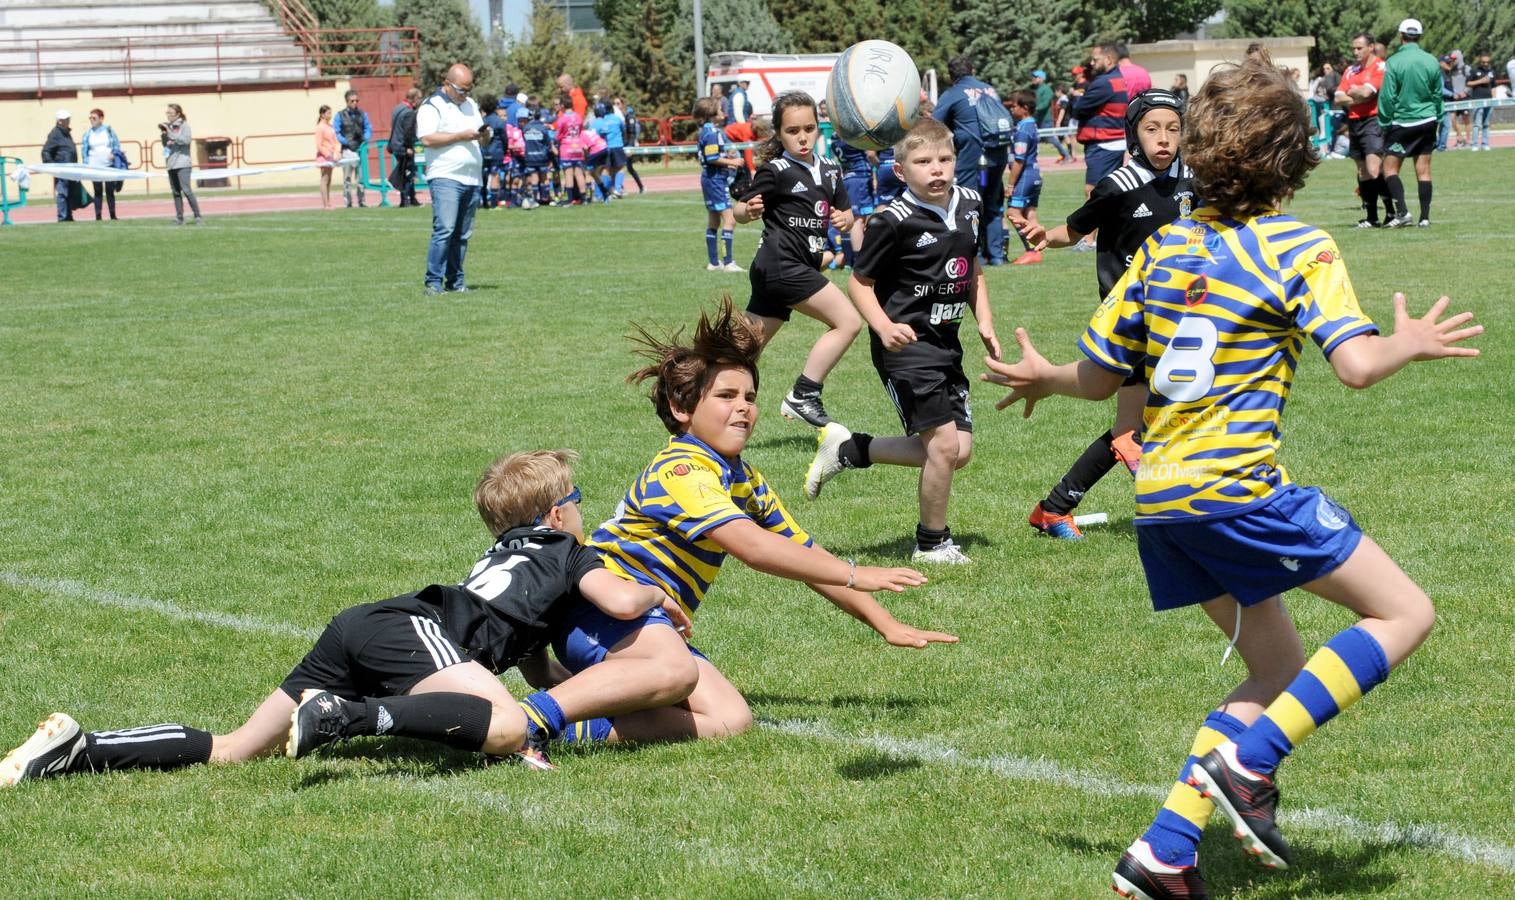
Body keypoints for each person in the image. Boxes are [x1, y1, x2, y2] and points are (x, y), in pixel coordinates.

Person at [982, 55, 1481, 899]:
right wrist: (1406, 343)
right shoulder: (1298, 244)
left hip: (1160, 502)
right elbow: (1355, 367)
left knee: (1272, 670)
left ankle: (1162, 854)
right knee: (1404, 611)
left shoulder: (1165, 243)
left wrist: (1042, 378)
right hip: (1236, 491)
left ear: (1196, 153)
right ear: (1297, 157)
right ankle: (1251, 767)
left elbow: (1102, 378)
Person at [0, 449, 678, 785]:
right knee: (502, 727)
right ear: (557, 514)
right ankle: (343, 717)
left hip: (369, 624)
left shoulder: (510, 555)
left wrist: (568, 694)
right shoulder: (566, 546)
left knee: (237, 749)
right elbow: (619, 601)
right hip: (415, 632)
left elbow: (531, 659)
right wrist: (656, 594)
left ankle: (81, 750)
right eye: (579, 501)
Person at [514, 300, 956, 751]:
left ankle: (569, 725)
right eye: (726, 396)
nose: (743, 408)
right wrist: (855, 573)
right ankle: (531, 718)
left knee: (728, 718)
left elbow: (805, 556)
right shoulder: (682, 468)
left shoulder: (746, 480)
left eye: (750, 397)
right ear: (682, 408)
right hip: (604, 609)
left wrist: (884, 623)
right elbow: (751, 547)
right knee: (711, 706)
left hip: (642, 624)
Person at [804, 117, 1002, 564]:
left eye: (945, 159)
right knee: (945, 447)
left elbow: (973, 272)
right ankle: (932, 543)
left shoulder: (970, 203)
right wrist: (883, 326)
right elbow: (860, 283)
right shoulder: (890, 221)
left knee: (958, 452)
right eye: (924, 161)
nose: (937, 169)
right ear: (900, 170)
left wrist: (984, 319)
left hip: (946, 345)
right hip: (905, 348)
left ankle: (852, 449)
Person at [1014, 89, 1194, 540]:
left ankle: (1053, 509)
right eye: (1152, 129)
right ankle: (1179, 513)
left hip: (1177, 315)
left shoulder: (1192, 179)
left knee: (1131, 427)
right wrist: (1043, 235)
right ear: (1134, 134)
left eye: (1173, 129)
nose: (1164, 139)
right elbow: (1074, 229)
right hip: (1129, 317)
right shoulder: (1119, 185)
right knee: (1150, 425)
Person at [733, 91, 859, 428]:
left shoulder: (831, 170)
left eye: (809, 128)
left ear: (819, 128)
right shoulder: (775, 170)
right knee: (848, 322)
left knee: (742, 353)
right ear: (778, 132)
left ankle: (700, 395)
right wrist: (748, 210)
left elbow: (845, 212)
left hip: (782, 270)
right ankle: (805, 393)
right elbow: (739, 210)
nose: (802, 137)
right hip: (782, 264)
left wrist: (844, 220)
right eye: (792, 131)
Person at [933, 56, 1010, 265]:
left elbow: (934, 124)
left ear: (951, 75)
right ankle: (996, 256)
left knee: (968, 204)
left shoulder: (953, 93)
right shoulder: (990, 89)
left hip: (972, 156)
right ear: (972, 69)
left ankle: (974, 257)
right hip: (998, 153)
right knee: (993, 203)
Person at [417, 63, 484, 294]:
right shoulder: (432, 105)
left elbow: (476, 136)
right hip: (446, 175)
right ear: (447, 83)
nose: (465, 94)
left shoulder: (470, 104)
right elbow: (426, 139)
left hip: (471, 177)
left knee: (462, 234)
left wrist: (484, 136)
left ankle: (456, 282)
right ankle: (433, 282)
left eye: (469, 89)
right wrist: (460, 136)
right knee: (445, 229)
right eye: (461, 89)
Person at [1379, 18, 1443, 228]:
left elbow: (1388, 96)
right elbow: (1437, 94)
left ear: (1400, 36)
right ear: (1420, 36)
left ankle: (1403, 212)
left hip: (1403, 122)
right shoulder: (1431, 60)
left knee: (1389, 169)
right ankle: (1424, 218)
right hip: (1428, 119)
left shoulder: (1394, 61)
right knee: (1423, 169)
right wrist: (1438, 117)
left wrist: (1384, 121)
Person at [1337, 33, 1395, 228]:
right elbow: (1337, 97)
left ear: (1371, 47)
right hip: (1354, 121)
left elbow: (1367, 92)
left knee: (1374, 168)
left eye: (1359, 48)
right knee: (1362, 171)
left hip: (1373, 120)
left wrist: (1355, 92)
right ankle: (1371, 217)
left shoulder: (1380, 67)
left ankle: (1391, 212)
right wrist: (1358, 96)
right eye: (1353, 48)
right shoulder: (1350, 70)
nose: (1355, 52)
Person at [1074, 43, 1131, 198]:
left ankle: (1099, 223)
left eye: (1095, 59)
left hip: (1103, 144)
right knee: (1109, 192)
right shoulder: (1117, 79)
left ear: (1108, 59)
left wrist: (1077, 97)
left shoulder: (1103, 83)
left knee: (1093, 192)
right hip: (1112, 143)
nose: (1092, 63)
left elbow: (1077, 110)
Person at [694, 96, 745, 271]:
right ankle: (728, 262)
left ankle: (714, 263)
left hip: (709, 179)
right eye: (720, 110)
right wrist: (733, 162)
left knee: (714, 221)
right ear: (711, 114)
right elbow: (712, 158)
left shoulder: (708, 131)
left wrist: (728, 156)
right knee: (730, 220)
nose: (723, 113)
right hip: (715, 180)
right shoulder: (712, 133)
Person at [1004, 90, 1044, 265]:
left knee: (1012, 212)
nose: (1012, 110)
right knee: (1030, 213)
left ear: (1025, 108)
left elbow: (1019, 160)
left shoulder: (1023, 129)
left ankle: (1030, 250)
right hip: (1035, 173)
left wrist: (1011, 185)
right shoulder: (1032, 124)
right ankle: (1038, 248)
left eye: (1014, 106)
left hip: (1025, 175)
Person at [160, 103, 203, 225]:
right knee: (175, 192)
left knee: (187, 190)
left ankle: (198, 216)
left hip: (183, 163)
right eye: (167, 113)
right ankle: (179, 218)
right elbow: (165, 145)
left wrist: (170, 133)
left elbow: (185, 140)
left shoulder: (185, 126)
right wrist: (164, 135)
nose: (168, 116)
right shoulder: (169, 127)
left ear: (178, 114)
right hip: (171, 163)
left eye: (171, 113)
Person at [80, 108, 123, 221]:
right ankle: (98, 216)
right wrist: (86, 163)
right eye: (90, 118)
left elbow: (116, 144)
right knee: (97, 191)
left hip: (108, 165)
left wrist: (114, 154)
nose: (92, 120)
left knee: (110, 191)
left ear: (101, 118)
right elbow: (84, 149)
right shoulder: (88, 133)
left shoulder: (108, 131)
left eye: (94, 118)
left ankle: (113, 215)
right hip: (95, 167)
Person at [333, 89, 371, 208]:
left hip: (360, 149)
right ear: (347, 101)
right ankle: (348, 202)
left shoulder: (362, 114)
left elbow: (368, 128)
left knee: (361, 178)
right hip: (348, 150)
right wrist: (346, 141)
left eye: (356, 100)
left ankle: (362, 201)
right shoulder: (339, 115)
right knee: (347, 178)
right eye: (352, 101)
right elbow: (336, 132)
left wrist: (365, 138)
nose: (355, 103)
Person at [42, 110, 81, 223]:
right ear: (60, 121)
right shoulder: (55, 134)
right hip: (61, 169)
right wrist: (52, 166)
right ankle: (63, 217)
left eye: (68, 119)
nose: (68, 121)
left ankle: (69, 216)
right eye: (66, 119)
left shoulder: (66, 133)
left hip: (70, 169)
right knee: (63, 193)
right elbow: (46, 151)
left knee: (70, 192)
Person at [388, 88, 422, 207]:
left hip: (395, 145)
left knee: (405, 172)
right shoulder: (408, 112)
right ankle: (406, 199)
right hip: (403, 147)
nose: (420, 101)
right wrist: (409, 147)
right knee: (408, 173)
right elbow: (408, 132)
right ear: (415, 99)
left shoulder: (397, 108)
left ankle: (412, 198)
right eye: (419, 98)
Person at [552, 94, 587, 206]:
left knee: (568, 174)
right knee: (579, 173)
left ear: (562, 105)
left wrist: (555, 140)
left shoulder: (562, 119)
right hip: (578, 147)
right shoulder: (578, 117)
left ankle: (570, 199)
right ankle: (584, 198)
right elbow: (581, 130)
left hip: (567, 148)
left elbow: (558, 135)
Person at [1031, 68, 1071, 163]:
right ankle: (1032, 158)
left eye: (1035, 77)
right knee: (1034, 138)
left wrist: (1033, 109)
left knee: (1051, 138)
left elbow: (1044, 104)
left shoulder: (1046, 89)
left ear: (1041, 78)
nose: (1033, 79)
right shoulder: (1037, 89)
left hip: (1045, 119)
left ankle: (1065, 155)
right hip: (1038, 119)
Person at [519, 106, 554, 209]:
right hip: (542, 156)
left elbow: (525, 141)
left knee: (534, 178)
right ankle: (545, 198)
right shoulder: (543, 127)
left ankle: (534, 199)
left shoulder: (525, 128)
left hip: (530, 156)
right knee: (544, 178)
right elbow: (547, 142)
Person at [591, 99, 627, 198]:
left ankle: (602, 192)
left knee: (605, 170)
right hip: (617, 146)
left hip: (605, 147)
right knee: (620, 168)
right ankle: (617, 189)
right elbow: (623, 130)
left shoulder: (601, 120)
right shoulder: (617, 118)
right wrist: (625, 142)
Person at [479, 94, 508, 209]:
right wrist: (505, 149)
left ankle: (484, 201)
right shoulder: (499, 121)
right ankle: (494, 204)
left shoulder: (481, 121)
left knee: (483, 176)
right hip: (496, 152)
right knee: (495, 175)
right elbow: (504, 138)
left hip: (483, 152)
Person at [1467, 53, 1495, 150]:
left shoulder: (1491, 71)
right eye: (1484, 62)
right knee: (1477, 124)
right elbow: (1468, 83)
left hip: (1489, 100)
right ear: (1480, 61)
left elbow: (1494, 86)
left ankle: (1485, 143)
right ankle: (1474, 145)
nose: (1486, 64)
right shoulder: (1474, 70)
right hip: (1477, 100)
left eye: (1487, 62)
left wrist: (1493, 99)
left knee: (1486, 123)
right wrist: (1481, 81)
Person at [314, 105, 339, 210]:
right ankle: (325, 204)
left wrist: (337, 152)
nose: (330, 115)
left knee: (329, 179)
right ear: (322, 114)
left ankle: (328, 203)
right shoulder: (320, 127)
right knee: (324, 179)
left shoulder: (330, 126)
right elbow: (319, 145)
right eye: (328, 113)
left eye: (330, 113)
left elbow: (335, 141)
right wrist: (327, 154)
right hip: (324, 157)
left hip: (331, 156)